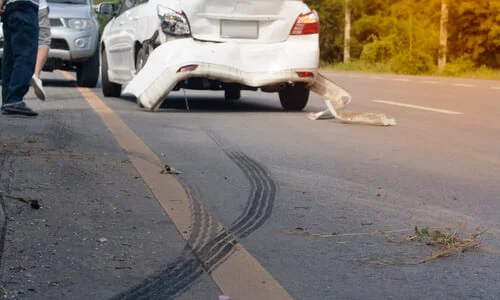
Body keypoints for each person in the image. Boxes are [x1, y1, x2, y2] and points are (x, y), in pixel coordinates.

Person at [0, 0, 39, 116]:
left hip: (11, 8)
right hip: (25, 7)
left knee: (10, 57)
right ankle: (14, 100)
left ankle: (8, 101)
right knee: (25, 54)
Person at [31, 0, 49, 101]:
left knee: (21, 42)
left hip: (15, 7)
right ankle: (36, 75)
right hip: (39, 6)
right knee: (43, 41)